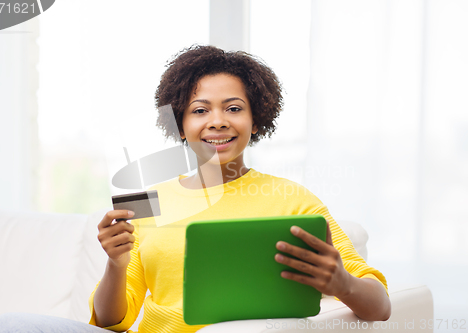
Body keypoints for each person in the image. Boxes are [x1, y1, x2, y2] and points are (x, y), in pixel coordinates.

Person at [89, 44, 391, 333]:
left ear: (256, 120)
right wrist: (116, 264)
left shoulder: (294, 200)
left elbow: (380, 307)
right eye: (199, 111)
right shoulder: (145, 203)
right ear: (180, 126)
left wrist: (342, 283)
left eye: (233, 108)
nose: (217, 122)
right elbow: (109, 321)